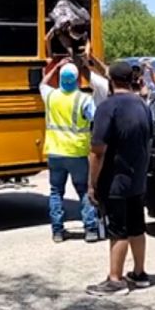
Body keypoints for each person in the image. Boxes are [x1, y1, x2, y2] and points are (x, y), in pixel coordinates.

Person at [86, 61, 155, 294]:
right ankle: (139, 273)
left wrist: (92, 183)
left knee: (118, 230)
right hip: (137, 179)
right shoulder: (143, 105)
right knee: (137, 227)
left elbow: (97, 151)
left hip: (115, 180)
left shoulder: (108, 107)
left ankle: (115, 279)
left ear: (110, 79)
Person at [40, 59, 100, 243]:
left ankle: (57, 231)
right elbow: (95, 119)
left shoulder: (50, 96)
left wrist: (55, 68)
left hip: (55, 151)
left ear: (60, 78)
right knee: (83, 190)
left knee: (56, 191)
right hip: (77, 152)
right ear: (76, 79)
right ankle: (90, 229)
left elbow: (42, 83)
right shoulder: (84, 99)